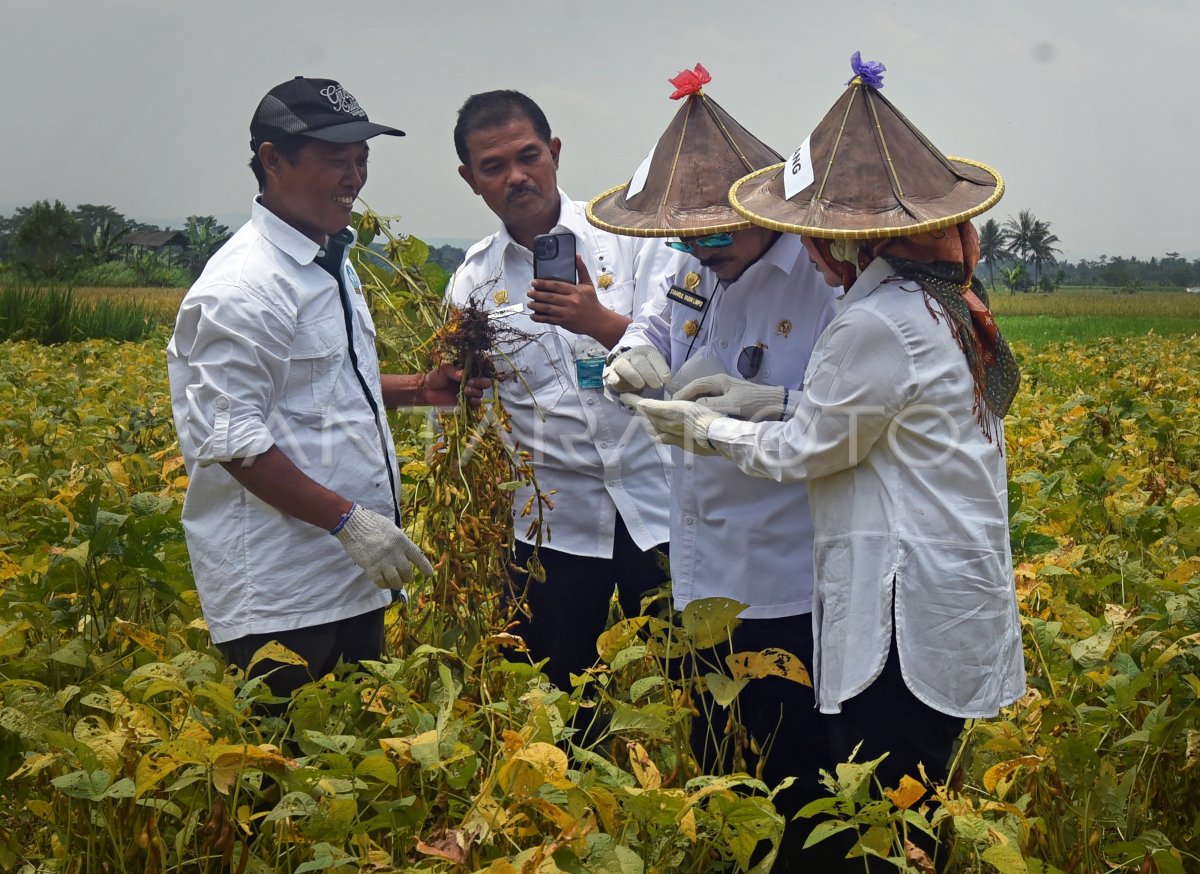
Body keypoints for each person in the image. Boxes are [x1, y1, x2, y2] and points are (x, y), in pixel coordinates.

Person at [637, 55, 1026, 870]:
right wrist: (766, 402)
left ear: (850, 240)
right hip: (940, 594)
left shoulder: (875, 319)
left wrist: (704, 430)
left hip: (900, 620)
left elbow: (811, 450)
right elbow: (870, 422)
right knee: (911, 811)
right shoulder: (939, 301)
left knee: (879, 822)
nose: (810, 252)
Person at [167, 76, 486, 707]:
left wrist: (426, 390)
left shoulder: (324, 263)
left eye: (362, 159)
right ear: (273, 160)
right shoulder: (244, 286)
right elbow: (235, 444)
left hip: (351, 577)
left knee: (351, 778)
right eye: (335, 159)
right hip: (282, 596)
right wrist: (348, 521)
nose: (354, 176)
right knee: (286, 784)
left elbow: (334, 389)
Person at [589, 64, 838, 869]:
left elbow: (845, 414)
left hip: (786, 574)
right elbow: (655, 328)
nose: (701, 250)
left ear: (758, 208)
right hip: (699, 565)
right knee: (723, 774)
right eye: (686, 236)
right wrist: (631, 359)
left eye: (717, 234)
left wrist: (766, 402)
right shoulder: (694, 263)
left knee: (794, 779)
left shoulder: (824, 276)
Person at [447, 90, 673, 693]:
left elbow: (691, 361)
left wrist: (598, 321)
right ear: (472, 179)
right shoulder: (473, 282)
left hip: (662, 509)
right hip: (554, 527)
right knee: (562, 699)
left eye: (528, 157)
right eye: (493, 167)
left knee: (692, 691)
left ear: (554, 152)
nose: (516, 177)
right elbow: (472, 398)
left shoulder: (627, 240)